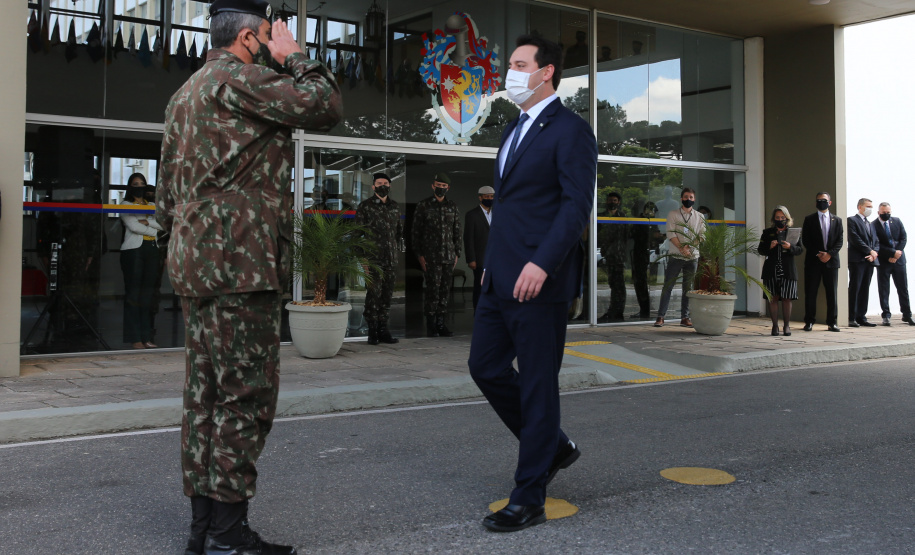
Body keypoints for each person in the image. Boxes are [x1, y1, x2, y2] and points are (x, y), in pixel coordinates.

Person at [155, 1, 342, 553]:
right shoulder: (242, 79)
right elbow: (325, 105)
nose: (273, 41)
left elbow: (167, 196)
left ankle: (204, 529)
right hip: (241, 263)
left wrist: (184, 248)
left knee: (204, 398)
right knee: (245, 396)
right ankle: (228, 536)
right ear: (246, 38)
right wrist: (298, 57)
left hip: (197, 265)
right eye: (268, 33)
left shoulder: (184, 94)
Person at [468, 35, 597, 533]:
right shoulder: (513, 128)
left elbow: (574, 207)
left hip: (539, 282)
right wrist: (491, 262)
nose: (510, 74)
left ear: (546, 73)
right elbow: (511, 207)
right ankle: (554, 446)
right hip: (499, 276)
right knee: (485, 367)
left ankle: (529, 497)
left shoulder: (571, 131)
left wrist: (542, 263)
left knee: (539, 386)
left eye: (520, 65)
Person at [354, 172, 403, 344]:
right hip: (372, 258)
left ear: (389, 186)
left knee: (387, 295)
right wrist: (363, 259)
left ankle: (383, 329)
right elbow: (356, 234)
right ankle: (372, 330)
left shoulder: (395, 206)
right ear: (373, 186)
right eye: (379, 183)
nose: (383, 185)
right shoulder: (365, 206)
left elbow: (398, 233)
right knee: (373, 294)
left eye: (386, 183)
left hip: (390, 258)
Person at [411, 172, 462, 337]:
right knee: (433, 290)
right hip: (430, 256)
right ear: (433, 186)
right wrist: (419, 255)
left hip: (448, 256)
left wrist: (457, 253)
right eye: (438, 186)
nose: (441, 189)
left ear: (448, 188)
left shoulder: (452, 206)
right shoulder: (423, 205)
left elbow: (457, 231)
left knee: (445, 291)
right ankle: (431, 325)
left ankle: (441, 323)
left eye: (444, 186)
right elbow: (416, 232)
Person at [119, 173, 163, 349]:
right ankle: (135, 338)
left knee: (147, 296)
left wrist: (148, 223)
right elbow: (133, 226)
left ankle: (146, 337)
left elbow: (163, 224)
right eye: (136, 183)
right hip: (133, 252)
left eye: (142, 183)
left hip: (152, 251)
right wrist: (153, 228)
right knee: (133, 296)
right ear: (130, 186)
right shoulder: (125, 204)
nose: (139, 186)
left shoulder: (152, 204)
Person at [654, 187, 705, 328]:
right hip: (676, 255)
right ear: (681, 198)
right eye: (686, 197)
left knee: (687, 288)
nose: (689, 199)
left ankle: (685, 317)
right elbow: (671, 234)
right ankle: (660, 317)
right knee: (668, 286)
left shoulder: (700, 216)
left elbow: (701, 235)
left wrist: (689, 247)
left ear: (694, 199)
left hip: (692, 256)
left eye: (691, 197)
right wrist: (682, 248)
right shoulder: (673, 214)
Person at [801, 192, 843, 332]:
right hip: (814, 261)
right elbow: (806, 240)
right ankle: (809, 321)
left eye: (824, 200)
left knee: (832, 293)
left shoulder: (837, 220)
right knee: (811, 292)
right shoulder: (809, 219)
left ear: (829, 202)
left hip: (831, 262)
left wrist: (829, 254)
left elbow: (840, 241)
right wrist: (819, 254)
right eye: (819, 200)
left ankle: (832, 322)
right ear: (815, 203)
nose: (821, 202)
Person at [758, 206, 803, 336]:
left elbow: (800, 249)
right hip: (771, 270)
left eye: (782, 218)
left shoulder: (794, 232)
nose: (780, 220)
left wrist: (790, 247)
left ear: (787, 218)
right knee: (772, 298)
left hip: (787, 270)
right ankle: (775, 326)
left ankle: (787, 326)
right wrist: (770, 246)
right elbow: (761, 250)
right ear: (773, 219)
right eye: (777, 218)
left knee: (787, 298)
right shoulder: (767, 232)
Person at [873, 202, 914, 325]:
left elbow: (903, 238)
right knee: (884, 289)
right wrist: (891, 253)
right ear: (878, 212)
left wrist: (897, 253)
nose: (886, 214)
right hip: (884, 261)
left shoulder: (896, 221)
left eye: (888, 213)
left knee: (903, 288)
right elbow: (876, 243)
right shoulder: (873, 225)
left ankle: (907, 315)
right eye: (884, 212)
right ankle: (886, 315)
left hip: (899, 261)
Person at [847, 198, 880, 327]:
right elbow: (855, 239)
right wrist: (869, 251)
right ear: (860, 207)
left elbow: (876, 241)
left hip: (869, 261)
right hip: (857, 260)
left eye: (871, 206)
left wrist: (874, 253)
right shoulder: (852, 220)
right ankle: (851, 317)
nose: (870, 209)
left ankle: (862, 316)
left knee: (865, 288)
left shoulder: (870, 223)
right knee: (855, 287)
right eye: (868, 206)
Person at [597, 191, 628, 322]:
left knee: (619, 285)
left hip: (619, 256)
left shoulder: (623, 217)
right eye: (610, 200)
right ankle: (612, 311)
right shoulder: (601, 216)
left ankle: (617, 312)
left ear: (619, 202)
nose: (612, 203)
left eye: (615, 200)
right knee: (612, 283)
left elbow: (626, 236)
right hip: (606, 254)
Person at [464, 185, 494, 311]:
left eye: (492, 197)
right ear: (480, 198)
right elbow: (468, 238)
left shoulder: (497, 213)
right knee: (480, 289)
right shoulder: (472, 215)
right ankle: (479, 315)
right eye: (486, 197)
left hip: (495, 259)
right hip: (480, 259)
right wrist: (471, 259)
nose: (489, 199)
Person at [629, 201, 661, 319]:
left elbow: (657, 237)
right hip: (640, 254)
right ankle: (644, 309)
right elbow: (632, 234)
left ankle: (646, 309)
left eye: (653, 211)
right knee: (640, 282)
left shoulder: (654, 223)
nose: (651, 212)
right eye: (649, 210)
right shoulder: (640, 221)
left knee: (650, 282)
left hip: (652, 254)